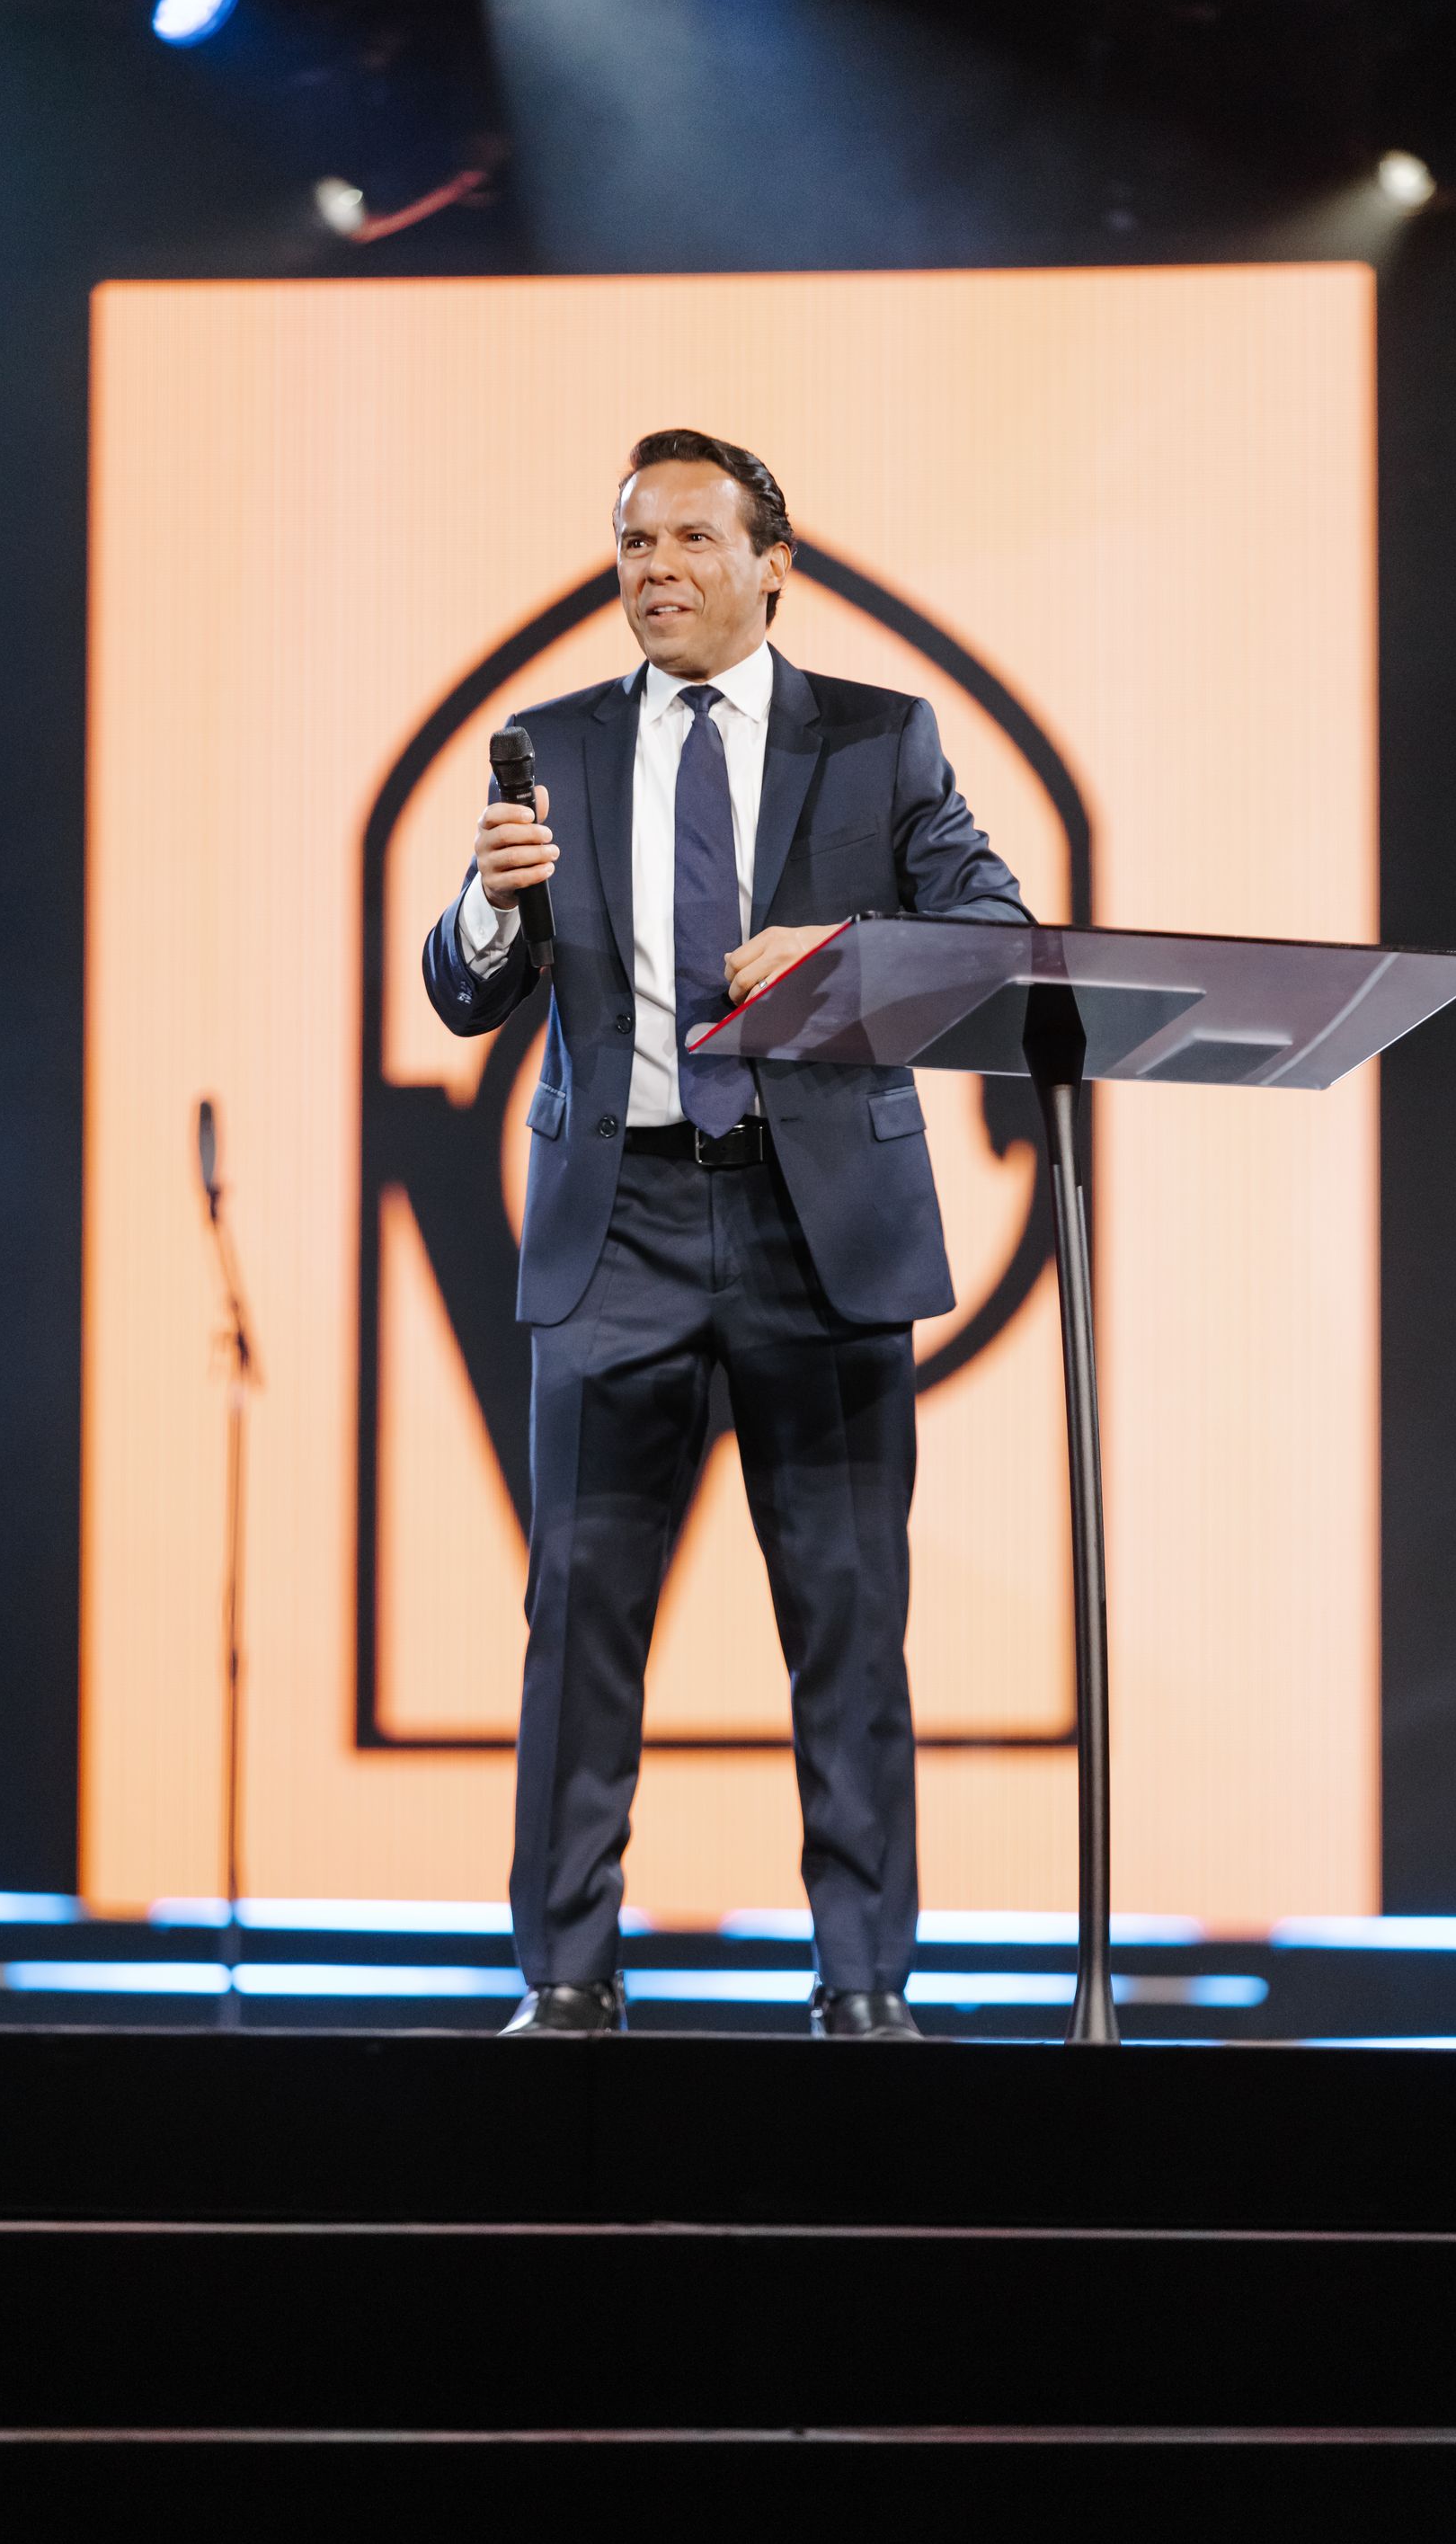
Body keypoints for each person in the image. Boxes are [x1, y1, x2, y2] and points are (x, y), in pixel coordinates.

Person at [423, 428, 1030, 2040]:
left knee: (848, 1621)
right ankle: (564, 1979)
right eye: (634, 542)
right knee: (580, 1620)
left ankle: (864, 1986)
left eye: (694, 538)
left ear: (775, 563)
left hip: (812, 1222)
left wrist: (843, 952)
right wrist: (489, 904)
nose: (657, 570)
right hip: (615, 1221)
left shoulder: (881, 741)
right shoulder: (553, 744)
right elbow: (467, 991)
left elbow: (993, 933)